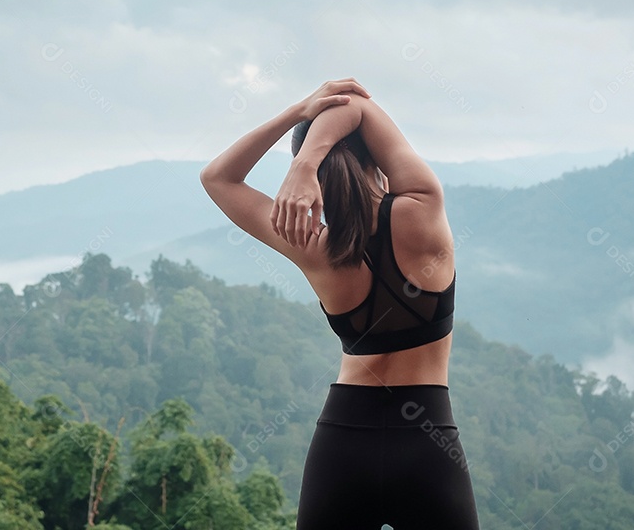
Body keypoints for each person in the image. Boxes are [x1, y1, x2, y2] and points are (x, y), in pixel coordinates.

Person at [199, 77, 479, 529]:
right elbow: (357, 105)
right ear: (378, 161)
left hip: (343, 444)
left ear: (314, 178)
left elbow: (217, 178)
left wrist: (299, 115)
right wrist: (309, 157)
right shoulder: (422, 208)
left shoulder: (313, 246)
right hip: (429, 445)